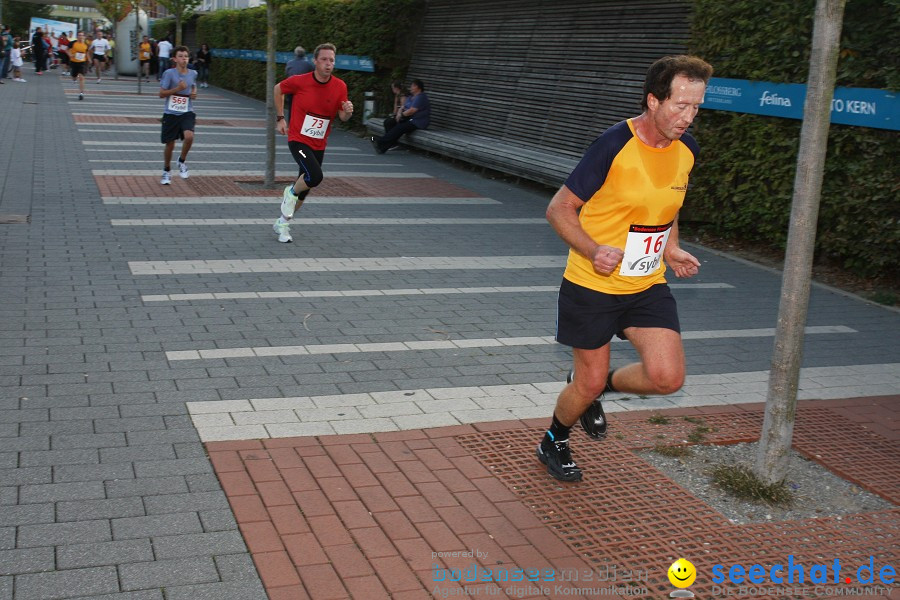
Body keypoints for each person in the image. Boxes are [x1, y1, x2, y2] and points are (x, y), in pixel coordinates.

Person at [536, 55, 713, 483]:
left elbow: (668, 207)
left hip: (646, 283)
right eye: (680, 105)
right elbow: (559, 208)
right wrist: (592, 249)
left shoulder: (686, 150)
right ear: (653, 101)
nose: (688, 117)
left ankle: (601, 388)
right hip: (592, 284)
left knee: (667, 378)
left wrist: (671, 247)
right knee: (587, 384)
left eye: (696, 107)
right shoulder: (614, 144)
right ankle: (554, 439)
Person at [271, 42, 353, 243]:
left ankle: (282, 224)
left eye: (331, 60)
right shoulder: (300, 81)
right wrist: (280, 118)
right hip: (298, 139)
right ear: (315, 61)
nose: (328, 63)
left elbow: (342, 116)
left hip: (319, 143)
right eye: (324, 59)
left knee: (304, 190)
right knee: (315, 176)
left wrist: (348, 112)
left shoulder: (340, 86)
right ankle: (289, 192)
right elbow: (277, 89)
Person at [158, 45, 198, 185]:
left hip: (187, 111)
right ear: (174, 59)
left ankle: (181, 161)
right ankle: (166, 170)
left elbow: (193, 86)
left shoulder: (193, 73)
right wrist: (177, 89)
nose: (184, 59)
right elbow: (161, 94)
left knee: (189, 136)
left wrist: (194, 93)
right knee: (170, 144)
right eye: (180, 56)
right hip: (171, 113)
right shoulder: (169, 73)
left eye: (186, 56)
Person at [371, 79, 430, 153]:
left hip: (418, 122)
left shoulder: (421, 97)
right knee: (390, 122)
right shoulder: (412, 97)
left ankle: (380, 143)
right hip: (410, 119)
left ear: (417, 87)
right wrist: (399, 113)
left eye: (412, 86)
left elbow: (412, 110)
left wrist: (401, 115)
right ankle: (385, 147)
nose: (410, 88)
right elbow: (403, 106)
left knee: (399, 127)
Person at [68, 31, 89, 100]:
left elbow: (87, 53)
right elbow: (66, 50)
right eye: (79, 35)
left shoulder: (85, 45)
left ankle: (81, 93)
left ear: (84, 37)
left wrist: (89, 59)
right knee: (74, 76)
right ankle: (74, 78)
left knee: (81, 77)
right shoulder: (73, 43)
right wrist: (70, 55)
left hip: (82, 62)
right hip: (74, 62)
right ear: (77, 36)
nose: (80, 37)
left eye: (82, 35)